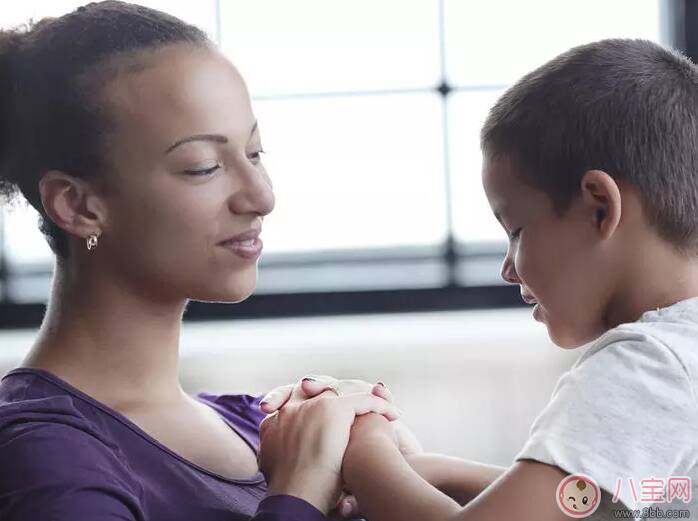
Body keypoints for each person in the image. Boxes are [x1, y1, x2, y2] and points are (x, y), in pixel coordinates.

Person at [0, 2, 412, 519]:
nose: (261, 196)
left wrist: (386, 457)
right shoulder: (41, 456)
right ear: (78, 205)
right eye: (204, 166)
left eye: (256, 153)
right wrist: (303, 488)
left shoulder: (253, 422)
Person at [258, 38, 698, 520]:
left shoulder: (647, 366)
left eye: (516, 230)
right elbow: (589, 503)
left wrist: (363, 448)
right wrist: (433, 470)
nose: (508, 268)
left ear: (599, 208)